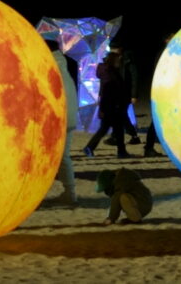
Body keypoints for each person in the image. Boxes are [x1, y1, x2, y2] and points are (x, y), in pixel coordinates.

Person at [83, 49, 130, 158]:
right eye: (118, 61)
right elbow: (108, 92)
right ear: (114, 61)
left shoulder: (109, 72)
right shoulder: (110, 74)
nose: (119, 63)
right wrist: (104, 109)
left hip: (112, 106)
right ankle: (90, 147)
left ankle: (121, 151)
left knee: (115, 129)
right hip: (112, 107)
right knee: (107, 129)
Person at [51, 45, 79, 204]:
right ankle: (70, 191)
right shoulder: (66, 67)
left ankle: (70, 192)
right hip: (69, 117)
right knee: (63, 157)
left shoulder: (49, 68)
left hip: (58, 119)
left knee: (57, 157)